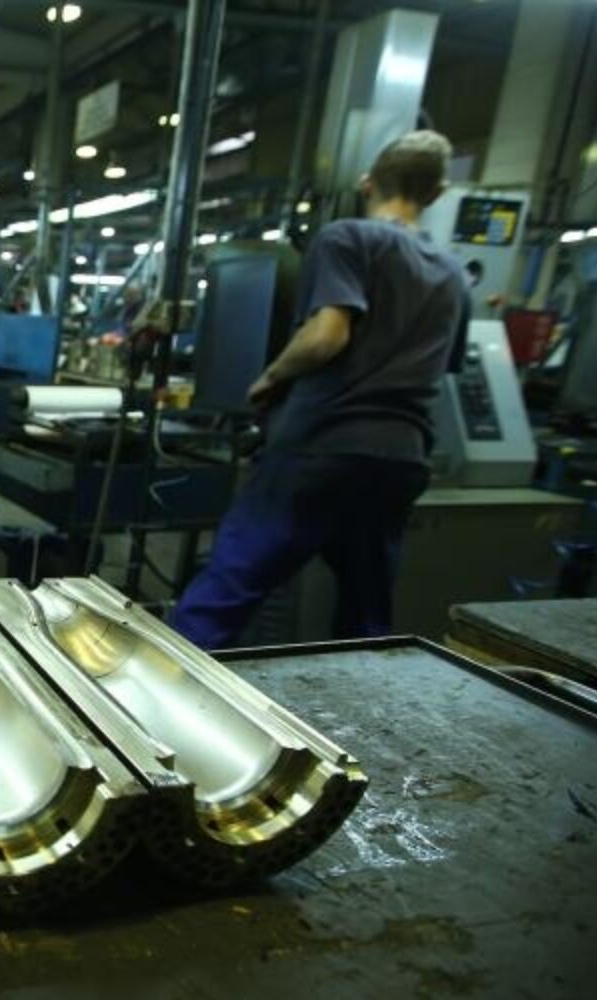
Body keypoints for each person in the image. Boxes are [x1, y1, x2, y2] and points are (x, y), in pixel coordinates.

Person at [169, 130, 470, 649]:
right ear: (437, 194)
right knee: (366, 617)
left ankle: (158, 685)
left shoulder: (348, 238)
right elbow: (443, 370)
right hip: (399, 459)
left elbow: (326, 336)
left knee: (226, 591)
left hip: (322, 445)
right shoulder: (455, 275)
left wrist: (271, 377)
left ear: (367, 183)